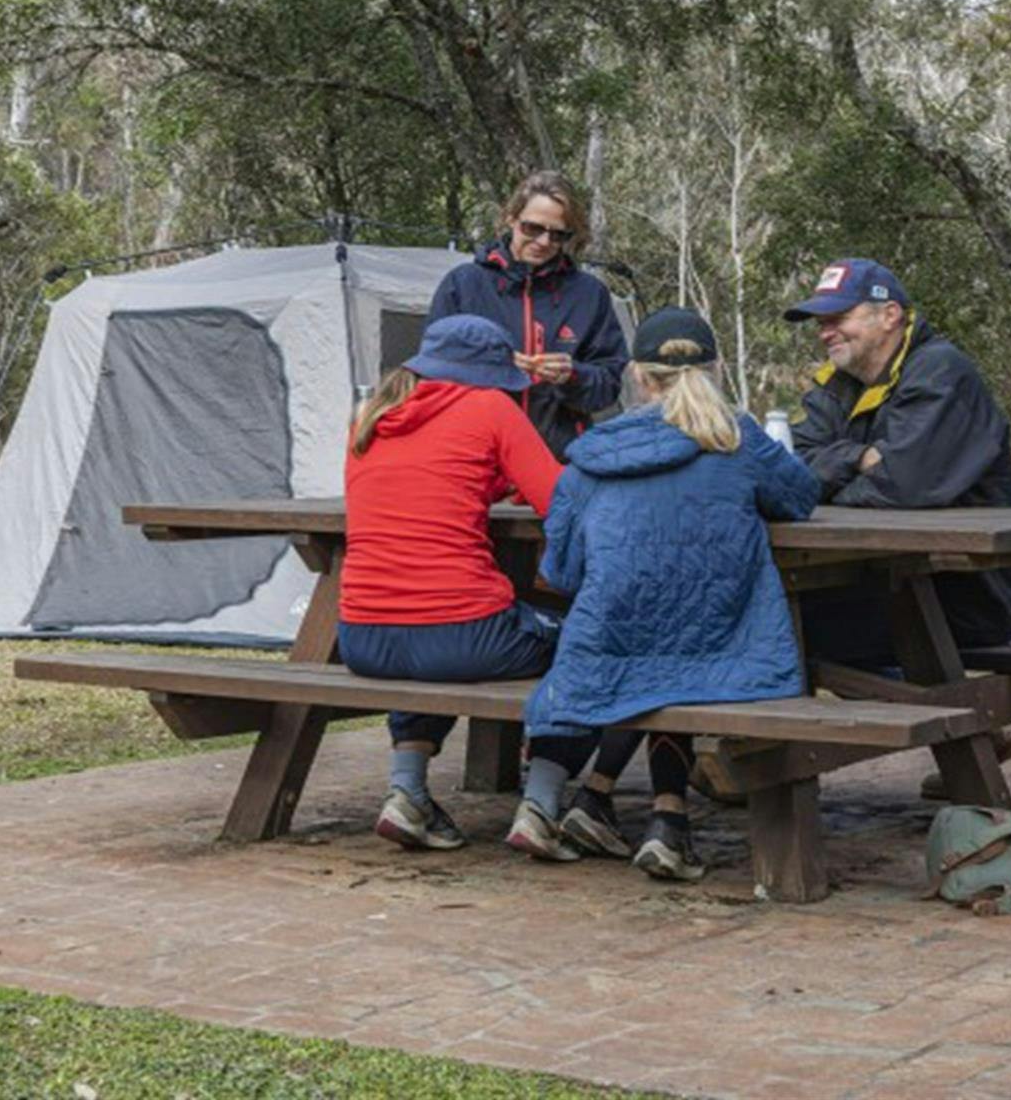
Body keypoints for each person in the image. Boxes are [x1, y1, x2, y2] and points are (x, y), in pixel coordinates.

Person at [505, 307, 820, 881]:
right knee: (677, 649)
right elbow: (800, 495)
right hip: (728, 640)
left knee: (652, 651)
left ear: (638, 377)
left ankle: (614, 804)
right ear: (716, 370)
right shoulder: (739, 439)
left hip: (610, 639)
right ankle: (665, 820)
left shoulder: (590, 457)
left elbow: (562, 571)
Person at [339, 313, 565, 852]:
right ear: (487, 375)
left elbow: (425, 485)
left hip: (362, 638)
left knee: (428, 630)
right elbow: (561, 500)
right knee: (583, 640)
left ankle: (408, 791)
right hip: (462, 636)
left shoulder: (370, 416)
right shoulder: (489, 407)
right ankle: (543, 803)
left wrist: (487, 483)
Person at [783, 258, 1011, 669]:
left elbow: (900, 487)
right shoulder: (838, 383)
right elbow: (790, 469)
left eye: (839, 317)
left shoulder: (940, 371)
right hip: (883, 580)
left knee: (780, 626)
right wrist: (859, 457)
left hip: (967, 591)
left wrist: (836, 474)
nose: (826, 332)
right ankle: (939, 713)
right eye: (820, 322)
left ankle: (950, 715)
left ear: (890, 315)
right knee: (774, 615)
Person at [429, 170, 629, 462]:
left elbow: (609, 386)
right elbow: (431, 376)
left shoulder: (589, 295)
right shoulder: (463, 285)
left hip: (559, 464)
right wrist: (493, 366)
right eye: (533, 228)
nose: (544, 242)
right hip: (475, 460)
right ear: (511, 218)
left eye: (558, 234)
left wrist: (572, 375)